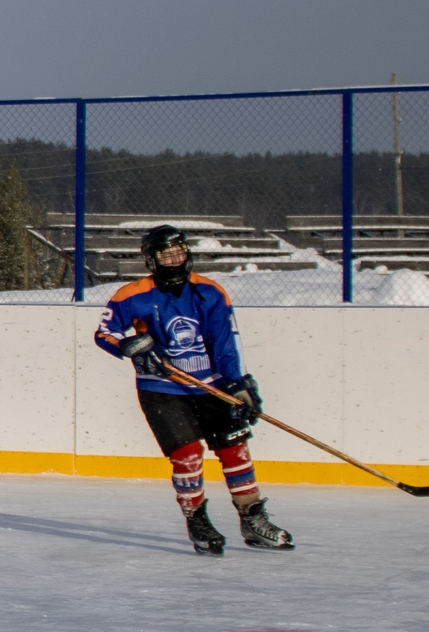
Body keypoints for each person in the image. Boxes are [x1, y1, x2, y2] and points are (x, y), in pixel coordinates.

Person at [95, 225, 292, 556]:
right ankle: (197, 518)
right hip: (162, 389)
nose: (175, 259)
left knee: (234, 447)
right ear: (151, 260)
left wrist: (237, 384)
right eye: (166, 254)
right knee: (187, 455)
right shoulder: (131, 296)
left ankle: (252, 518)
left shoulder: (211, 292)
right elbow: (104, 333)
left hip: (210, 386)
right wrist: (132, 347)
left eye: (179, 251)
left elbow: (225, 342)